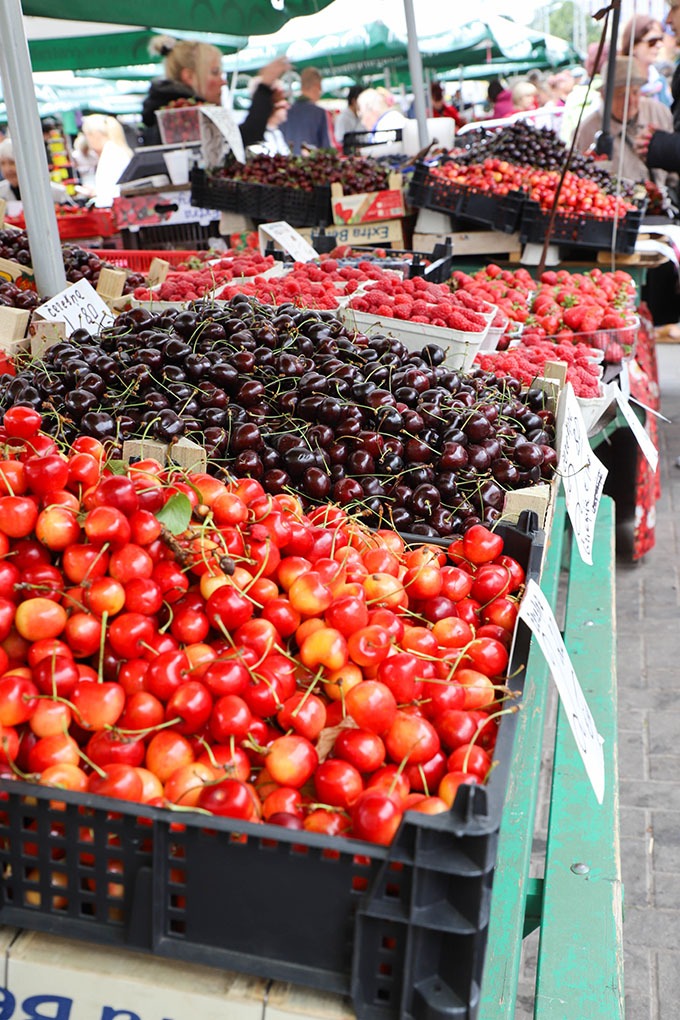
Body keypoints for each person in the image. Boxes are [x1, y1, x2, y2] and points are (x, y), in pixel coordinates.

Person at [141, 36, 289, 149]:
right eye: (215, 72)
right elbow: (242, 139)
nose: (223, 81)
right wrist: (264, 86)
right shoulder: (182, 116)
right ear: (189, 76)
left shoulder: (168, 110)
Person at [576, 56, 673, 185]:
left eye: (635, 92)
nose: (630, 101)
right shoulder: (588, 129)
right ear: (605, 96)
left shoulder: (658, 112)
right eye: (622, 94)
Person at [0, 138, 69, 208]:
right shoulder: (1, 192)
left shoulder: (56, 193)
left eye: (12, 163)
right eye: (2, 163)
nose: (7, 169)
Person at [81, 115, 133, 207]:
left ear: (95, 134)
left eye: (87, 135)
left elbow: (108, 196)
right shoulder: (114, 151)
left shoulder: (111, 154)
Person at [620, 15, 672, 106]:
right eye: (652, 41)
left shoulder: (660, 83)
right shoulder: (620, 83)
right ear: (633, 46)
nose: (659, 45)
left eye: (661, 39)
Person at [282, 67, 331, 155]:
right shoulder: (319, 113)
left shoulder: (285, 113)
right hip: (312, 165)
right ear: (317, 87)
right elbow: (325, 150)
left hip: (289, 165)